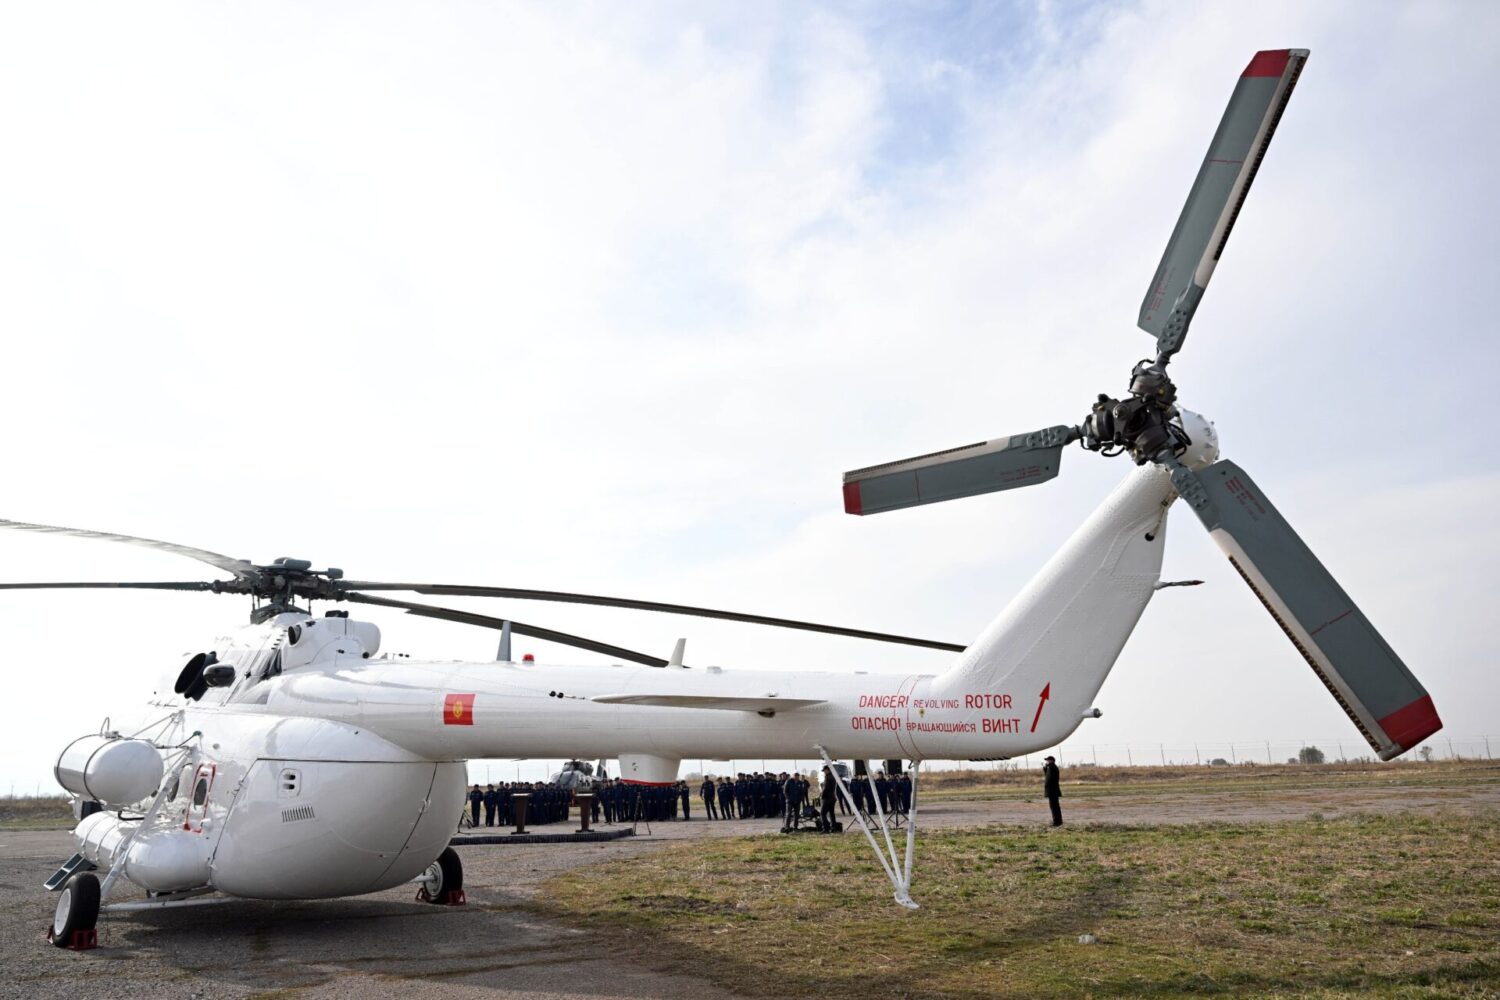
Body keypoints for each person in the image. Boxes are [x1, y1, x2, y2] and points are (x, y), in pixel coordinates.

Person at [1042, 755, 1063, 826]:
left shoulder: (1052, 767)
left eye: (1048, 760)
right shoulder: (1051, 767)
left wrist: (1047, 768)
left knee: (1054, 807)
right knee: (1054, 807)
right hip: (1053, 791)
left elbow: (1050, 779)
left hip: (1052, 791)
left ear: (1052, 761)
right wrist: (1045, 769)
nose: (1046, 761)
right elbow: (1047, 776)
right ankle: (1058, 822)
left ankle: (1056, 822)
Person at [819, 766, 838, 832]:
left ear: (828, 770)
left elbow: (825, 788)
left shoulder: (827, 777)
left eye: (824, 770)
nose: (824, 772)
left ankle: (826, 828)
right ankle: (833, 828)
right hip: (832, 798)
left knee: (822, 813)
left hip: (827, 798)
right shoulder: (833, 777)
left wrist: (822, 796)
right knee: (831, 813)